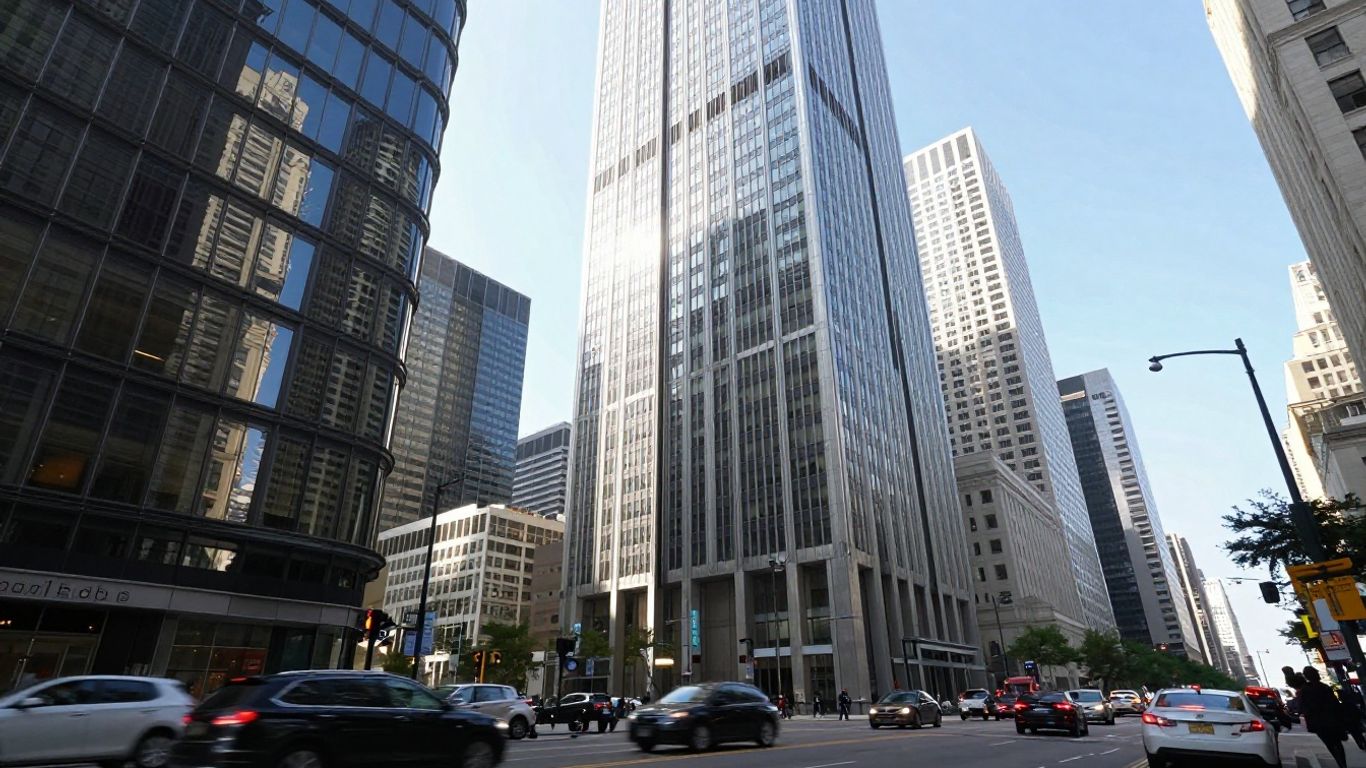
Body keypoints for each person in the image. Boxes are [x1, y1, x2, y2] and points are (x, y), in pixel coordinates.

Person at [1301, 666, 1349, 768]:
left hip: (1319, 724)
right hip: (1331, 720)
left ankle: (1340, 763)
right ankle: (1343, 764)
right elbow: (1335, 705)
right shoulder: (1325, 687)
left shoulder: (1304, 691)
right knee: (1337, 744)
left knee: (1330, 745)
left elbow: (1304, 709)